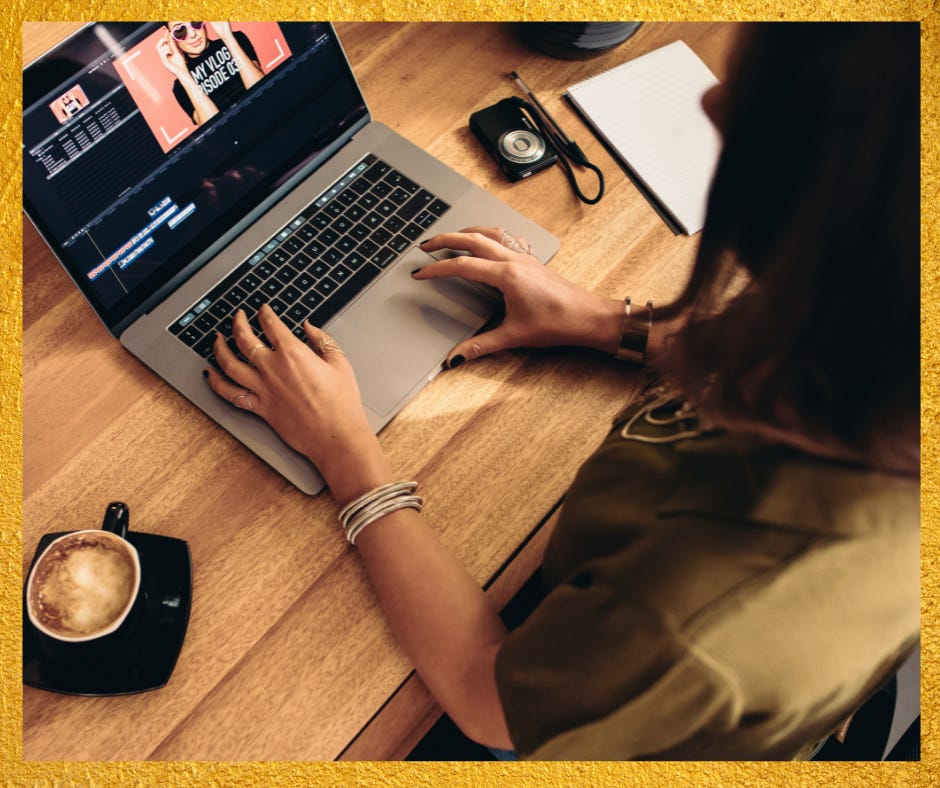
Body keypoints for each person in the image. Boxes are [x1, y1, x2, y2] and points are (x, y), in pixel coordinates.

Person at [203, 23, 919, 759]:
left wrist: (348, 452)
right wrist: (599, 320)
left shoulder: (707, 612)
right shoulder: (883, 326)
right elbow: (815, 349)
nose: (710, 102)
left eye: (759, 105)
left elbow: (489, 703)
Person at [157, 21, 264, 125]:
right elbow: (213, 127)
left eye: (195, 22)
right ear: (169, 34)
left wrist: (228, 38)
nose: (193, 34)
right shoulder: (181, 86)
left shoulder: (236, 40)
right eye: (180, 31)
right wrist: (182, 74)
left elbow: (263, 92)